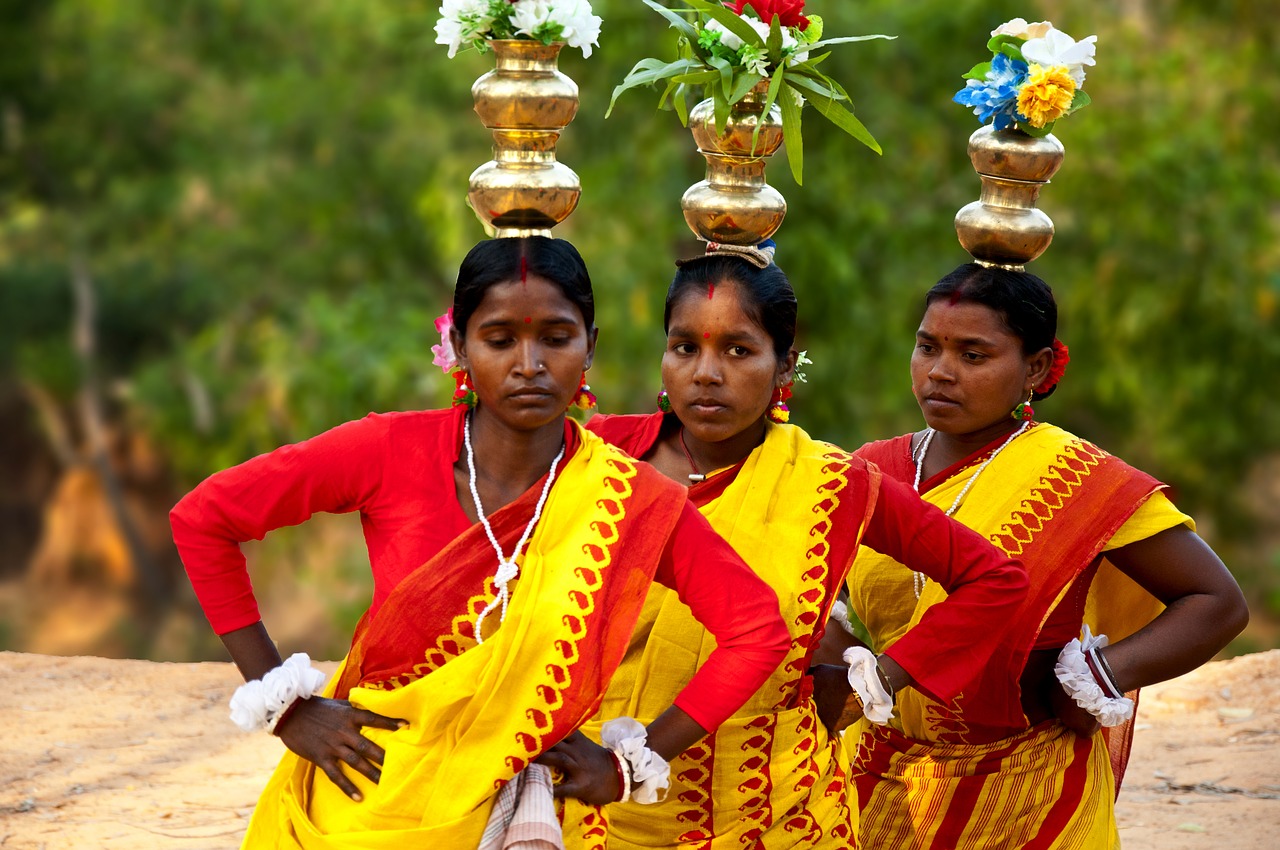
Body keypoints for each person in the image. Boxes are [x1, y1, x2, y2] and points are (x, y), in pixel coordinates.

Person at [169, 236, 794, 849]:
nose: (530, 364)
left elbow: (757, 629)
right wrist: (287, 709)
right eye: (500, 340)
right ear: (459, 347)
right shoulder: (388, 451)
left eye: (556, 338)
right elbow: (204, 520)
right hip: (364, 802)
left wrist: (629, 764)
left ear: (590, 348)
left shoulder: (629, 498)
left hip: (528, 815)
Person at [555, 247, 1029, 849]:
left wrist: (872, 682)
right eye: (684, 348)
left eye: (738, 350)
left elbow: (994, 581)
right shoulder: (594, 457)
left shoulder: (831, 484)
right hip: (591, 804)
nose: (706, 373)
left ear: (785, 367)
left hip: (772, 814)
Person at [837, 263, 1249, 848]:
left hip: (1034, 795)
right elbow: (824, 593)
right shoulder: (872, 469)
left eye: (973, 355)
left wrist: (1101, 677)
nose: (940, 371)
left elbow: (1217, 602)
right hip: (879, 790)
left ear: (1034, 368)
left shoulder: (1079, 478)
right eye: (927, 346)